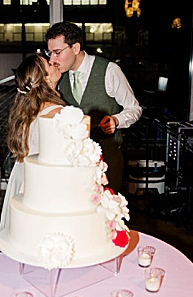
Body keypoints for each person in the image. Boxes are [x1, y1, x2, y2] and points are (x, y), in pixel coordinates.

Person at [43, 21, 140, 195]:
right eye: (50, 53)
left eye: (57, 52)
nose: (52, 59)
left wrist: (116, 120)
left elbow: (134, 109)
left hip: (108, 160)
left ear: (75, 47)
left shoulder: (109, 70)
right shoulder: (58, 77)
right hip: (73, 165)